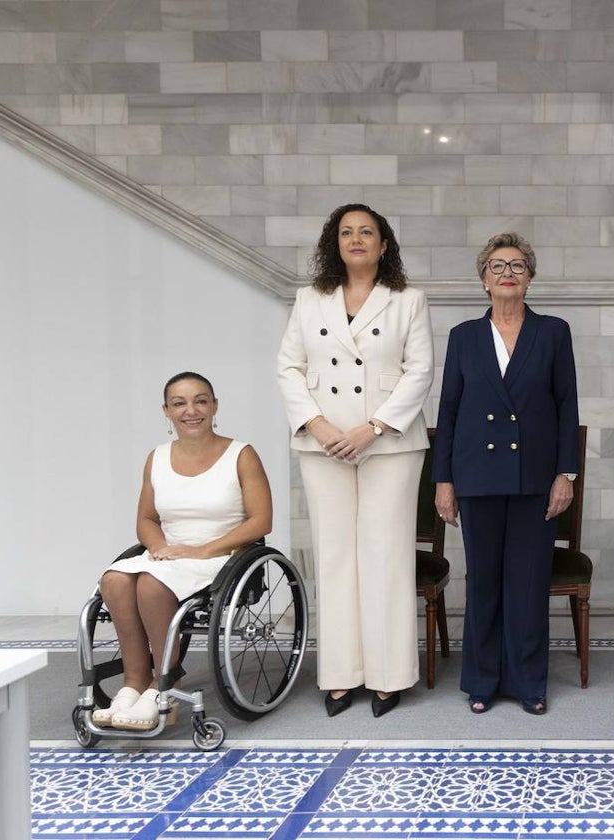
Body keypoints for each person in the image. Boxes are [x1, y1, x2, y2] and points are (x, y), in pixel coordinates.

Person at [278, 204, 434, 718]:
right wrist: (319, 426)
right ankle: (341, 676)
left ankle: (390, 676)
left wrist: (373, 427)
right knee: (335, 555)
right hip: (323, 443)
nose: (357, 239)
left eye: (367, 231)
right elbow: (289, 367)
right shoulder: (309, 299)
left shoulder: (408, 301)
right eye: (346, 232)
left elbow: (420, 371)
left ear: (384, 244)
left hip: (388, 441)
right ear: (334, 243)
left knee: (386, 555)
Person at [433, 232, 579, 716]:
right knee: (484, 582)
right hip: (476, 477)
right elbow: (449, 411)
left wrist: (566, 474)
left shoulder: (554, 331)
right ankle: (482, 679)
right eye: (497, 267)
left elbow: (565, 407)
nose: (507, 274)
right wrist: (444, 480)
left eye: (517, 265)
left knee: (529, 581)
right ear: (483, 280)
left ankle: (529, 681)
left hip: (535, 478)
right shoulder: (463, 336)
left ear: (531, 277)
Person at [94, 372, 272, 731]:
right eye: (180, 403)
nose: (191, 410)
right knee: (113, 580)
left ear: (214, 406)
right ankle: (133, 682)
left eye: (201, 400)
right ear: (167, 411)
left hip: (222, 555)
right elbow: (146, 518)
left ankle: (165, 685)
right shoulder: (156, 458)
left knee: (149, 585)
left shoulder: (241, 454)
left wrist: (204, 550)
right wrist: (158, 546)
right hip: (169, 555)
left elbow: (261, 521)